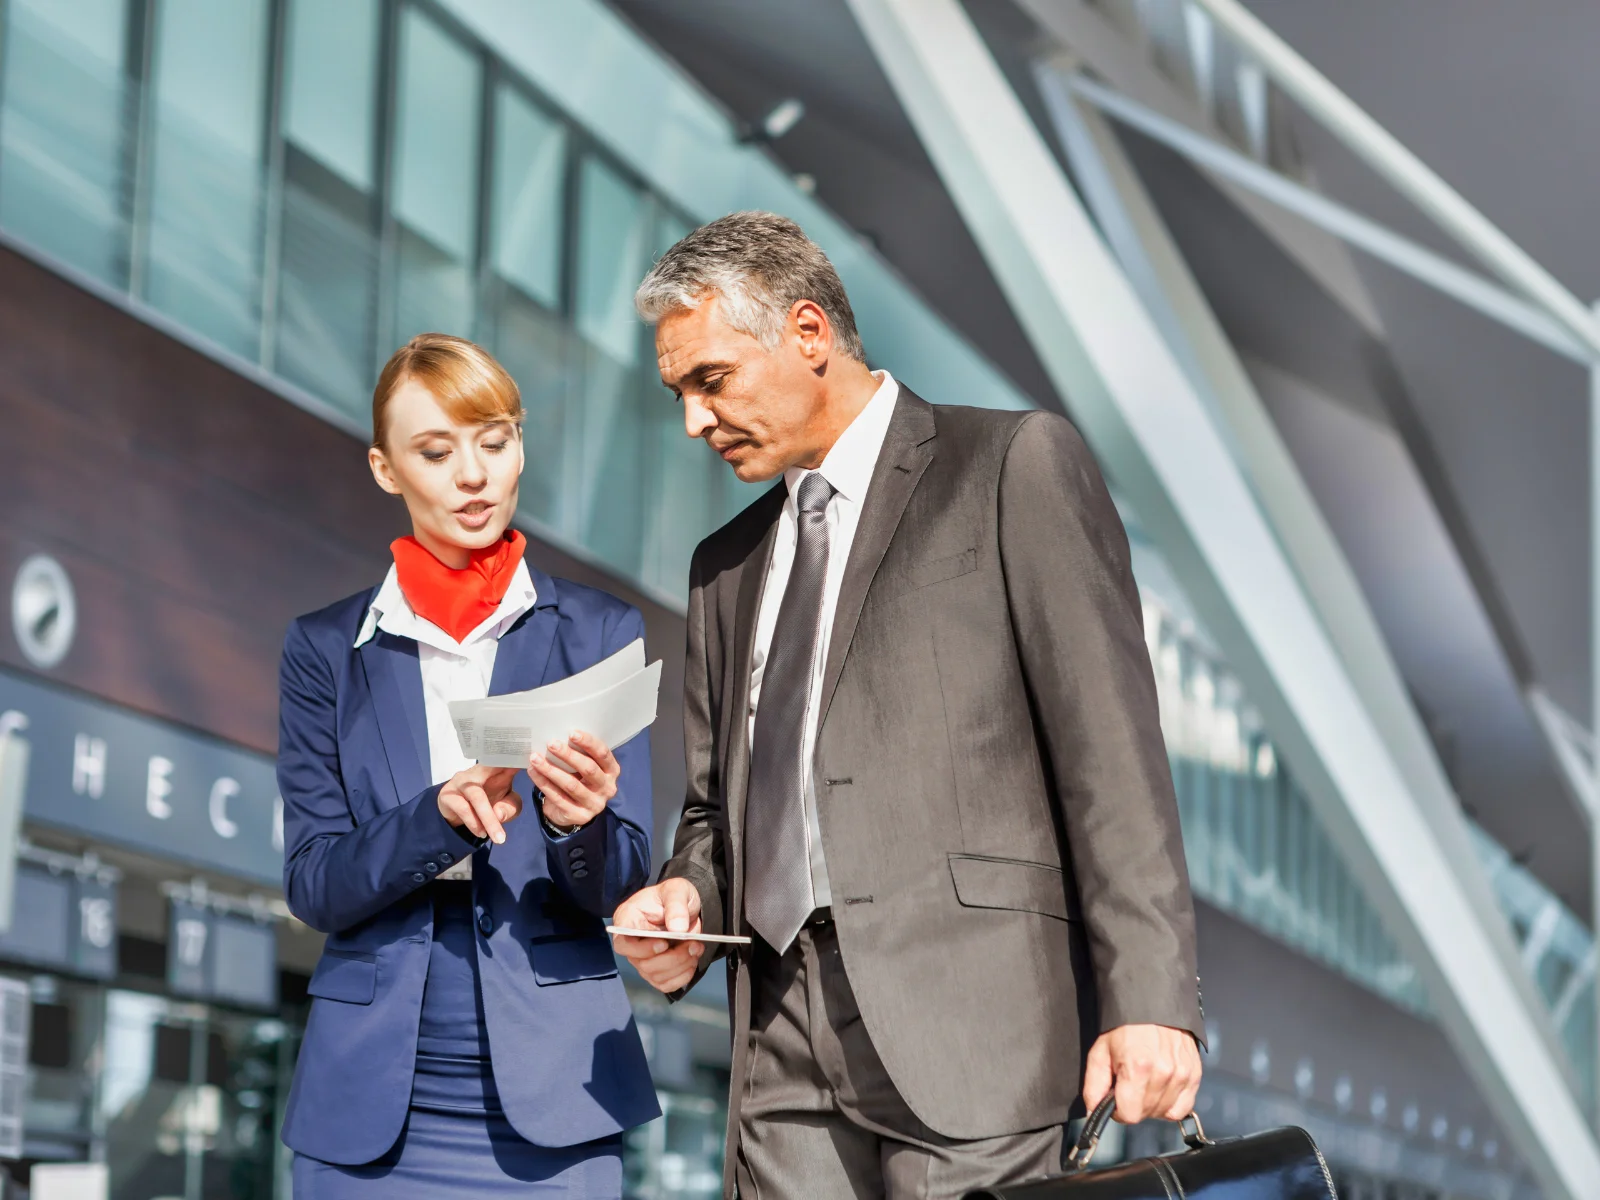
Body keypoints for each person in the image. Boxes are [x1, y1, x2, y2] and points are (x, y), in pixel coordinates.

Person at [612, 213, 1205, 1199]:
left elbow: (1109, 756)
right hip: (780, 1043)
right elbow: (719, 810)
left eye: (709, 381)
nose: (692, 422)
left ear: (807, 334)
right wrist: (688, 892)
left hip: (974, 1025)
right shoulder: (724, 567)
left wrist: (1151, 1000)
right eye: (678, 393)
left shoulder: (1010, 466)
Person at [277, 334, 659, 1197]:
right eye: (437, 452)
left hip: (559, 1091)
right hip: (371, 1103)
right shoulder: (326, 649)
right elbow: (312, 882)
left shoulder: (599, 632)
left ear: (520, 444)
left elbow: (624, 874)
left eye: (494, 441)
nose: (474, 475)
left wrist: (575, 822)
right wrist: (437, 814)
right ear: (386, 469)